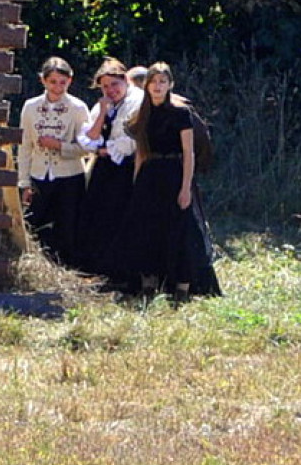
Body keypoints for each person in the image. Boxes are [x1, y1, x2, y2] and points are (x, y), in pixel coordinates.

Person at [107, 62, 220, 300]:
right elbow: (141, 151)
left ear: (170, 85)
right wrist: (137, 182)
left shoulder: (181, 113)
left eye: (163, 82)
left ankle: (182, 287)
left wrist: (185, 188)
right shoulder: (142, 114)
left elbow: (188, 152)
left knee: (180, 230)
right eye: (154, 82)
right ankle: (149, 282)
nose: (158, 87)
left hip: (174, 174)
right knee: (147, 229)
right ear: (146, 85)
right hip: (150, 175)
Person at [17, 56, 90, 267]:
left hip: (70, 176)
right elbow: (25, 147)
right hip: (40, 174)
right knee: (34, 223)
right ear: (43, 81)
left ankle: (68, 270)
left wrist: (59, 146)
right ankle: (36, 266)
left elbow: (86, 147)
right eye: (53, 82)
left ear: (70, 80)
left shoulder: (78, 108)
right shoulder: (30, 107)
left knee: (67, 227)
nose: (58, 87)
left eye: (62, 82)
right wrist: (24, 183)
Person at [75, 58, 144, 274]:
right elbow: (87, 136)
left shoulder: (138, 101)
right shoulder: (104, 103)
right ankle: (96, 267)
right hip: (104, 167)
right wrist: (104, 111)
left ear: (125, 80)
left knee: (120, 215)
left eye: (114, 84)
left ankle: (119, 270)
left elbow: (134, 138)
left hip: (127, 167)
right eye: (105, 86)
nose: (110, 90)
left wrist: (108, 148)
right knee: (97, 213)